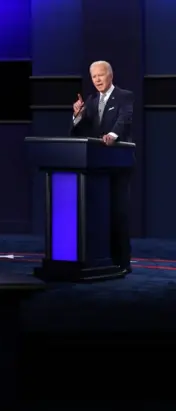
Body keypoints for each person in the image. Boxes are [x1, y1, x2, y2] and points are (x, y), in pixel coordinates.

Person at [70, 60, 134, 274]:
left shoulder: (125, 96)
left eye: (101, 75)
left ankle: (123, 262)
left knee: (118, 212)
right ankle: (100, 259)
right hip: (95, 165)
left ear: (110, 75)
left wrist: (113, 136)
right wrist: (77, 116)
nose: (97, 80)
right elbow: (78, 133)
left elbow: (125, 120)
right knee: (97, 214)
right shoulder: (90, 100)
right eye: (94, 76)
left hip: (117, 163)